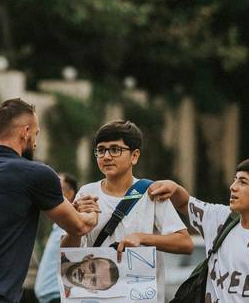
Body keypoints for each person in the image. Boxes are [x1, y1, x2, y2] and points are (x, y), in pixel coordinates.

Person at [0, 98, 99, 303]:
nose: (36, 142)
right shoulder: (36, 173)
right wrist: (92, 213)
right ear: (25, 132)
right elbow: (80, 226)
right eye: (36, 134)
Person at [61, 120, 193, 303]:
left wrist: (142, 238)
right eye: (101, 150)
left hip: (141, 298)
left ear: (134, 156)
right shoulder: (86, 193)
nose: (106, 156)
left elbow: (185, 243)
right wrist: (76, 227)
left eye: (115, 149)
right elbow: (67, 253)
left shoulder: (151, 192)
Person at [150, 158, 249, 303]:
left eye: (243, 182)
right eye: (235, 179)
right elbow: (184, 203)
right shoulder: (221, 218)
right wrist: (174, 187)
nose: (233, 187)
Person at [35, 173, 79, 303]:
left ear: (70, 193)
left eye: (56, 188)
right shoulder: (58, 223)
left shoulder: (72, 223)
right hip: (50, 296)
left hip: (58, 295)